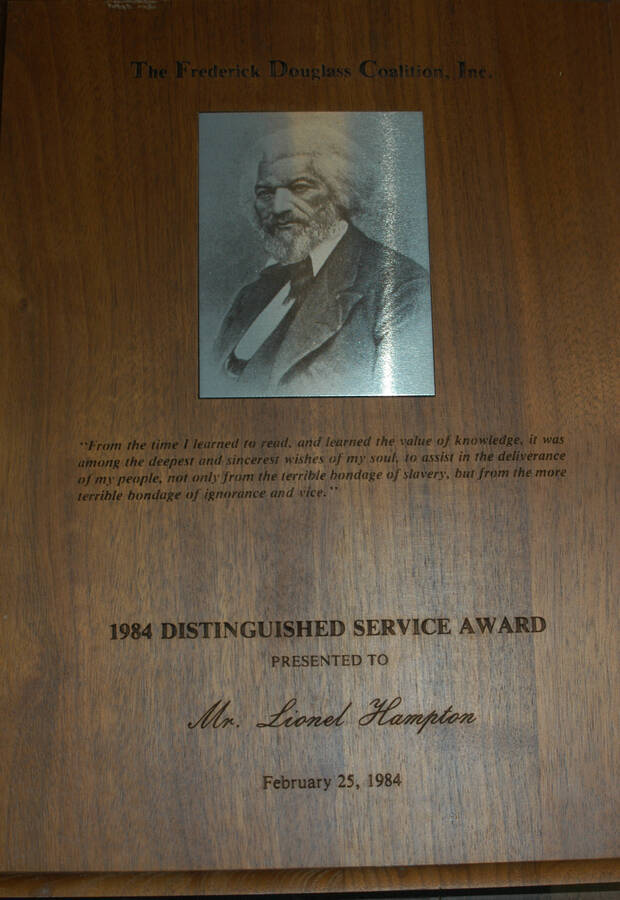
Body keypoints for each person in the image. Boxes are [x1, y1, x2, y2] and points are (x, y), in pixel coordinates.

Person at [213, 123, 434, 396]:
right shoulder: (249, 296)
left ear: (340, 192)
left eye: (301, 187)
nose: (279, 207)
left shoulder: (402, 289)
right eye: (265, 193)